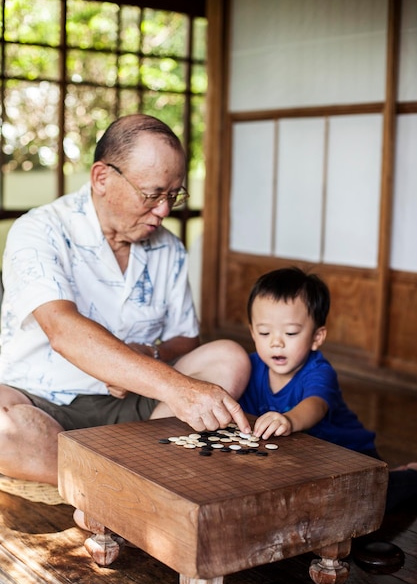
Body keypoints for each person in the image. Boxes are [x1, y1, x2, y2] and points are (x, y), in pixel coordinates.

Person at [0, 113, 251, 489]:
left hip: (133, 405)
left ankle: (107, 474)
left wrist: (146, 355)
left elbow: (185, 340)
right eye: (151, 194)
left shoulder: (168, 247)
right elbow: (62, 330)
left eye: (173, 195)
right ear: (102, 178)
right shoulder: (40, 231)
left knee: (228, 357)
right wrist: (176, 388)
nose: (164, 210)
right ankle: (118, 481)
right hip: (40, 402)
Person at [239, 266, 417, 512]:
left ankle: (407, 477)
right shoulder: (248, 367)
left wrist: (289, 420)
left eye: (290, 332)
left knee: (369, 503)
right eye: (264, 332)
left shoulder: (319, 371)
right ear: (252, 332)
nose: (276, 342)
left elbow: (316, 405)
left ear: (317, 337)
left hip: (351, 457)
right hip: (307, 462)